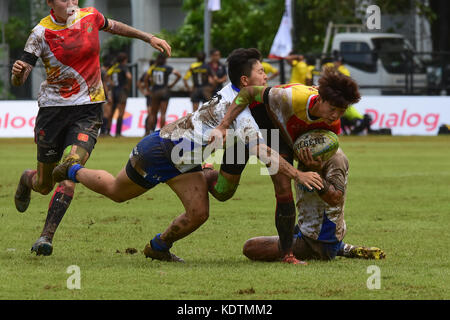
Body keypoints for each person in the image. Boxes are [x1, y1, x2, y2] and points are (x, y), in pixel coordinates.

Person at [49, 55, 325, 262]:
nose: (266, 77)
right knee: (116, 192)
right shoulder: (240, 111)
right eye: (261, 72)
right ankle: (72, 169)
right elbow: (261, 151)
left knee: (199, 214)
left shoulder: (236, 94)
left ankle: (159, 247)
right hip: (159, 152)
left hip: (184, 159)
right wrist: (298, 174)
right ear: (245, 81)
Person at [11, 0, 171, 256]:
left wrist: (147, 37)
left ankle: (46, 237)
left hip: (88, 109)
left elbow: (115, 27)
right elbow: (20, 78)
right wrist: (18, 73)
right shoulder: (40, 33)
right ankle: (26, 179)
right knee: (43, 184)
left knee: (70, 168)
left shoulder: (90, 16)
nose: (72, 3)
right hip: (52, 113)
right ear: (51, 3)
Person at [208, 68, 362, 263]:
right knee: (223, 191)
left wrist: (312, 165)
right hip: (255, 122)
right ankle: (204, 172)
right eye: (333, 109)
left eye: (342, 111)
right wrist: (224, 125)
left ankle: (288, 254)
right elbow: (247, 93)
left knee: (282, 185)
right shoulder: (290, 97)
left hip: (277, 138)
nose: (336, 115)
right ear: (320, 98)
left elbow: (306, 150)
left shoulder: (332, 127)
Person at [243, 147, 386, 262]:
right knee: (286, 230)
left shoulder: (336, 158)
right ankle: (344, 249)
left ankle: (329, 250)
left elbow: (335, 198)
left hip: (317, 241)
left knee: (250, 247)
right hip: (309, 230)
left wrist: (315, 171)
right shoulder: (307, 151)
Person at [144, 53, 181, 133]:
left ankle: (149, 132)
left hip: (155, 91)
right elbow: (178, 75)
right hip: (164, 91)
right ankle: (161, 133)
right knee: (163, 113)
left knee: (153, 113)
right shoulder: (167, 68)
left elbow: (146, 78)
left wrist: (148, 89)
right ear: (165, 60)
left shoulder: (153, 68)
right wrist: (172, 84)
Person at [106, 52, 132, 137]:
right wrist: (128, 86)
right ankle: (118, 132)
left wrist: (111, 83)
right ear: (125, 60)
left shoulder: (114, 67)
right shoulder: (124, 67)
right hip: (121, 91)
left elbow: (107, 76)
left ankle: (108, 131)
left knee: (112, 111)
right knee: (121, 112)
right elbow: (129, 77)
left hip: (114, 91)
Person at [138, 59, 155, 136]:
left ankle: (150, 130)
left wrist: (143, 91)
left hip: (152, 95)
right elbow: (139, 83)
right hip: (151, 95)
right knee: (151, 113)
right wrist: (144, 91)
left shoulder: (147, 73)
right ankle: (148, 130)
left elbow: (139, 84)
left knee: (151, 113)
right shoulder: (148, 73)